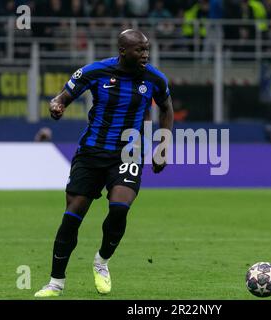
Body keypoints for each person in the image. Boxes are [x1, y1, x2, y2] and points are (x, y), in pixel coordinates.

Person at [34, 29, 174, 297]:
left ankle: (102, 261)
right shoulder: (94, 71)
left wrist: (163, 145)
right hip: (91, 152)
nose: (145, 55)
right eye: (139, 50)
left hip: (128, 153)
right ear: (123, 51)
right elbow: (61, 97)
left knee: (120, 207)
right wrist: (56, 106)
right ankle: (55, 282)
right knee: (72, 216)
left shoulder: (154, 78)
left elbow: (166, 108)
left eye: (147, 49)